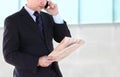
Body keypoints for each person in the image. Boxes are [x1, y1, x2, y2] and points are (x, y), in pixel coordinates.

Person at [3, 0, 71, 77]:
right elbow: (9, 55)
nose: (43, 2)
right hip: (28, 74)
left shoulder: (48, 17)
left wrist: (56, 15)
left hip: (52, 73)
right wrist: (37, 61)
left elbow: (64, 38)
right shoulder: (13, 20)